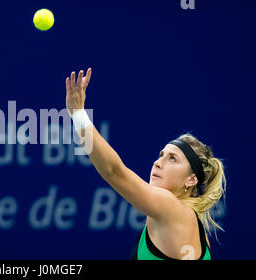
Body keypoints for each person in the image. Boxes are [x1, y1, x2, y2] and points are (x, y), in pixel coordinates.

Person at [65, 68, 226, 260]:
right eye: (161, 155)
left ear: (191, 180)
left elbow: (114, 172)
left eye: (172, 159)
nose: (158, 163)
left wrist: (78, 115)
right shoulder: (199, 234)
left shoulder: (170, 208)